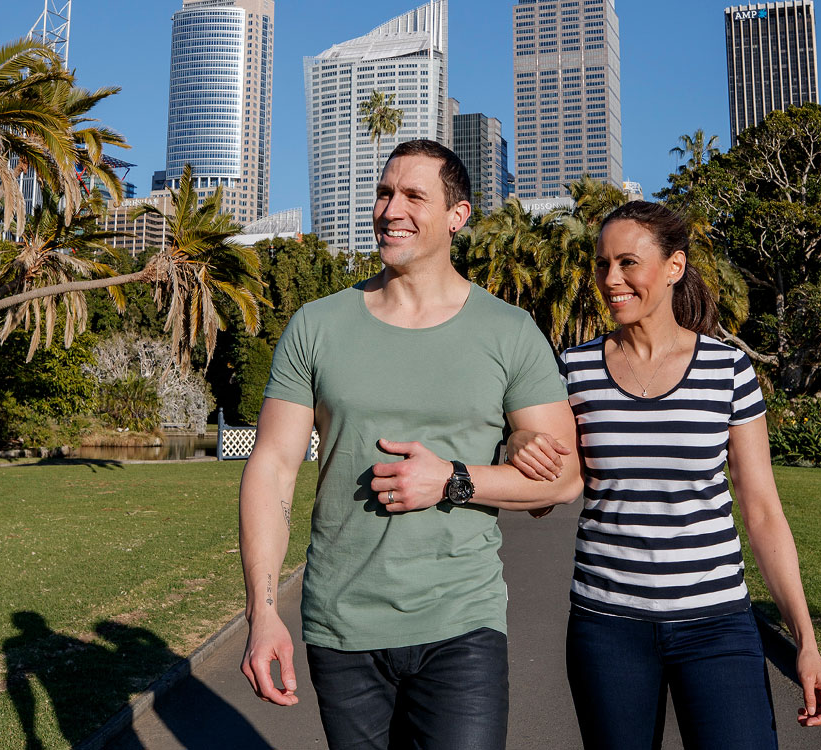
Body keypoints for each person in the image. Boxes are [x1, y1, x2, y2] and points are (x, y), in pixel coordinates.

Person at [237, 138, 583, 750]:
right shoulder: (317, 325)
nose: (391, 208)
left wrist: (453, 479)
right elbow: (272, 470)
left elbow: (564, 477)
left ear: (458, 215)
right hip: (341, 625)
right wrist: (263, 612)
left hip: (462, 621)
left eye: (413, 195)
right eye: (383, 192)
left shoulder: (509, 331)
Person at [502, 201, 821, 749]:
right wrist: (519, 442)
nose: (611, 279)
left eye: (628, 262)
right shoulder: (574, 370)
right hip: (606, 628)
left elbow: (762, 511)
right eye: (602, 264)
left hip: (717, 624)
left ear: (674, 267)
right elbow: (546, 495)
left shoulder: (727, 369)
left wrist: (805, 640)